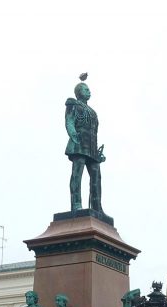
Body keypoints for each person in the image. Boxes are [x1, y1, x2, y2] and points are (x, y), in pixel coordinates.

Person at [65, 75, 105, 213]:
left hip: (92, 148)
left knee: (96, 176)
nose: (89, 91)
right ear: (79, 92)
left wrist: (99, 153)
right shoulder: (72, 104)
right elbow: (69, 121)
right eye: (86, 89)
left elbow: (95, 133)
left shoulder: (93, 113)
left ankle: (97, 206)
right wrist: (73, 135)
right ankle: (76, 204)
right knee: (77, 174)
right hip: (79, 143)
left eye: (89, 89)